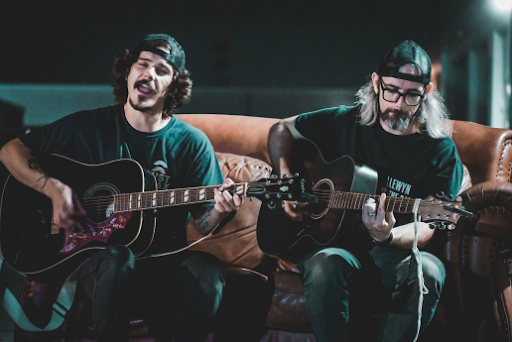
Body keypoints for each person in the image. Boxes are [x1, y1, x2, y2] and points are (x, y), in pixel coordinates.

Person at [0, 33, 242, 342]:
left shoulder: (191, 144)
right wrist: (54, 190)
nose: (149, 74)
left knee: (207, 270)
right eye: (142, 64)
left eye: (162, 70)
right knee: (118, 256)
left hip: (162, 266)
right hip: (98, 265)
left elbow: (204, 221)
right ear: (128, 72)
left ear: (173, 87)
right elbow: (11, 151)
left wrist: (220, 212)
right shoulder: (89, 126)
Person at [267, 40, 463, 342]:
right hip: (336, 244)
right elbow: (281, 129)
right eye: (392, 91)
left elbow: (428, 225)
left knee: (429, 270)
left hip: (393, 252)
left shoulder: (439, 150)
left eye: (411, 95)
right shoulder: (346, 121)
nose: (398, 104)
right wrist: (286, 180)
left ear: (426, 92)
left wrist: (387, 235)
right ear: (375, 82)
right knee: (323, 263)